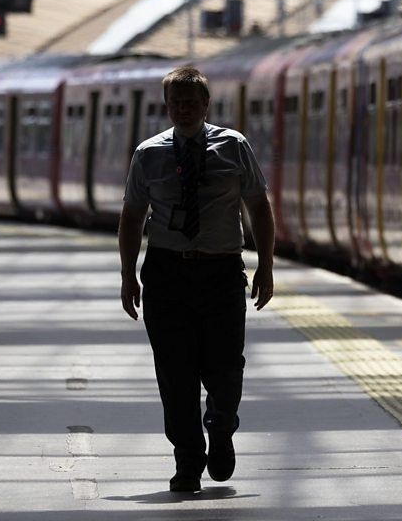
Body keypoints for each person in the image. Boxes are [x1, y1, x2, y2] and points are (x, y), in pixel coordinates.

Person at [117, 66, 275, 493]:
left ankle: (220, 430)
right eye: (176, 102)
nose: (183, 109)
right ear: (166, 106)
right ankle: (187, 460)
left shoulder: (234, 147)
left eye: (191, 102)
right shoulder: (148, 154)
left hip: (221, 272)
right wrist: (128, 275)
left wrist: (265, 264)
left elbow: (259, 206)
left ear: (207, 104)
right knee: (175, 374)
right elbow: (132, 217)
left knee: (226, 368)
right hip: (167, 273)